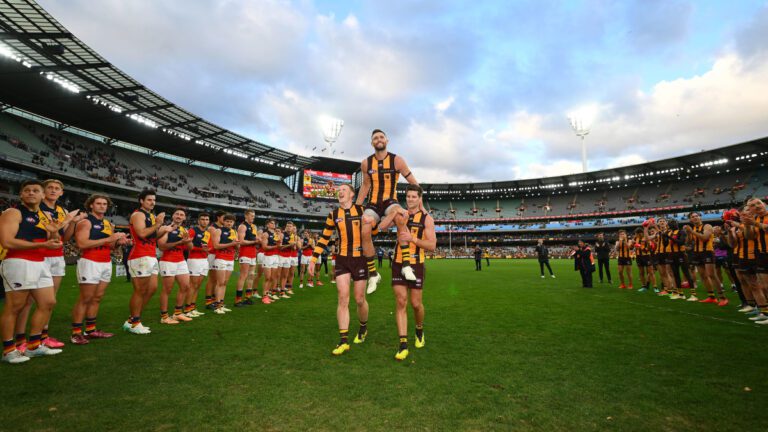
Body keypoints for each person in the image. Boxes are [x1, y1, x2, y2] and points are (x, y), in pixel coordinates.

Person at [1, 180, 73, 363]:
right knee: (14, 306)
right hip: (18, 261)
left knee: (48, 302)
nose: (31, 193)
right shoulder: (13, 212)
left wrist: (55, 231)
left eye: (35, 190)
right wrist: (43, 243)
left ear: (42, 196)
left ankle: (34, 346)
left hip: (40, 262)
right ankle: (9, 350)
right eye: (27, 190)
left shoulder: (44, 216)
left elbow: (54, 242)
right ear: (21, 195)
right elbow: (7, 241)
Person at [17, 179, 83, 350]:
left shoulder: (62, 210)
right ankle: (20, 338)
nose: (53, 191)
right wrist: (66, 220)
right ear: (43, 191)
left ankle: (42, 335)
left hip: (57, 257)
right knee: (28, 300)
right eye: (50, 188)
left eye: (57, 189)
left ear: (61, 193)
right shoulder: (37, 207)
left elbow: (65, 238)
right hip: (38, 255)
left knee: (49, 300)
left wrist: (73, 222)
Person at [356, 129, 421, 294]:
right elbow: (365, 185)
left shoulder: (397, 160)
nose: (378, 139)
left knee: (400, 218)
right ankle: (373, 274)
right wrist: (356, 207)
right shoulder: (366, 163)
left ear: (387, 140)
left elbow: (413, 182)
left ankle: (406, 265)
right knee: (364, 230)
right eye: (375, 138)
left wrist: (418, 203)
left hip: (390, 201)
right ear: (372, 143)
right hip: (373, 204)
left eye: (381, 137)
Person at [309, 184, 369, 356]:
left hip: (360, 259)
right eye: (339, 190)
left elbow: (374, 231)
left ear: (352, 194)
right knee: (343, 297)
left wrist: (373, 225)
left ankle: (363, 327)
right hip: (342, 259)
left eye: (344, 189)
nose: (340, 192)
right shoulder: (333, 215)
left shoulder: (363, 211)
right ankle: (343, 340)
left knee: (359, 299)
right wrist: (313, 259)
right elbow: (324, 238)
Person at [71, 194, 127, 345]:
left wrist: (119, 242)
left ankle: (90, 330)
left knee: (97, 297)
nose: (102, 206)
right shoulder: (85, 222)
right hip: (90, 262)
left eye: (104, 204)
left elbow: (110, 246)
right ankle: (76, 333)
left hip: (105, 262)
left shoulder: (108, 223)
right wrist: (109, 239)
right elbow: (82, 244)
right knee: (85, 298)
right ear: (91, 205)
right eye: (99, 203)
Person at [391, 185, 436, 361]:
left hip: (417, 263)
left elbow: (432, 246)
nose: (410, 199)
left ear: (419, 199)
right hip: (398, 262)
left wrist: (413, 239)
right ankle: (403, 344)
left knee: (416, 304)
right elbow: (383, 226)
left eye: (413, 197)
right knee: (401, 301)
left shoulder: (427, 219)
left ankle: (419, 329)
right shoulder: (400, 214)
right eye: (408, 196)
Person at [124, 189, 172, 335]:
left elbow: (152, 237)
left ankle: (132, 320)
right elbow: (142, 233)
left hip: (150, 254)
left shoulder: (150, 215)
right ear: (141, 201)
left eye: (154, 200)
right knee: (140, 290)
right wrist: (158, 224)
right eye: (149, 200)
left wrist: (165, 230)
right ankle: (135, 322)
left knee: (151, 289)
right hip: (139, 255)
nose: (152, 202)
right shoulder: (138, 214)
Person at [157, 209, 194, 324]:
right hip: (168, 260)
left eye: (181, 215)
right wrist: (179, 243)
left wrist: (187, 241)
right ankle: (164, 317)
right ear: (172, 216)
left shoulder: (184, 230)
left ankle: (178, 313)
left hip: (181, 260)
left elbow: (190, 247)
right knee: (167, 289)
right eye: (177, 214)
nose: (179, 216)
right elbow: (162, 246)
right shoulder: (165, 228)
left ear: (184, 218)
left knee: (185, 286)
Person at [684, 212, 723, 304]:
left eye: (696, 216)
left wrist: (692, 231)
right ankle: (711, 296)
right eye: (692, 217)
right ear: (690, 220)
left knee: (712, 275)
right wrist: (689, 233)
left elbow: (705, 238)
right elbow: (688, 242)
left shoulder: (707, 226)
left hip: (707, 252)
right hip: (697, 253)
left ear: (700, 217)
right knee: (703, 276)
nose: (695, 218)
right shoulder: (692, 228)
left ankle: (722, 297)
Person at [211, 214, 239, 314]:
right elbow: (216, 246)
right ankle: (217, 305)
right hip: (221, 258)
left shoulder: (234, 232)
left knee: (225, 283)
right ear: (224, 221)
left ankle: (221, 304)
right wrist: (231, 244)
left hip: (230, 259)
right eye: (227, 221)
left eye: (231, 222)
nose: (229, 223)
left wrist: (237, 245)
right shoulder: (218, 230)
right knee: (220, 282)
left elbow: (237, 246)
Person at [186, 212, 211, 315]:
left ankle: (192, 307)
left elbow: (209, 248)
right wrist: (201, 249)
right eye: (203, 219)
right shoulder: (192, 231)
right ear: (198, 221)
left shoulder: (208, 233)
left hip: (204, 260)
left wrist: (207, 250)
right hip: (194, 260)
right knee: (193, 285)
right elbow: (189, 246)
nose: (204, 221)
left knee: (198, 286)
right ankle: (187, 309)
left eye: (206, 219)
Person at [235, 210, 260, 306]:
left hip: (253, 253)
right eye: (251, 216)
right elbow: (241, 241)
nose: (253, 217)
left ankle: (248, 297)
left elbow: (256, 239)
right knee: (243, 276)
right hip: (245, 253)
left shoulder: (254, 227)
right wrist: (254, 242)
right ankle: (238, 300)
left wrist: (258, 240)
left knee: (251, 276)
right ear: (246, 216)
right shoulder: (242, 226)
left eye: (254, 216)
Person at [204, 211, 225, 309]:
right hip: (212, 254)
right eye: (224, 218)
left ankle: (213, 299)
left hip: (217, 254)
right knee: (212, 278)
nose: (225, 220)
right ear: (218, 217)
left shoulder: (221, 229)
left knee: (217, 279)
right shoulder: (213, 228)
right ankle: (208, 301)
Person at [260, 219, 281, 301]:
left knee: (272, 277)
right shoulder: (265, 234)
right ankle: (264, 296)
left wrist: (279, 245)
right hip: (268, 257)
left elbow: (279, 245)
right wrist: (276, 246)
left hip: (275, 257)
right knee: (267, 278)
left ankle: (267, 295)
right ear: (267, 225)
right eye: (271, 223)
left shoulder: (276, 234)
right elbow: (264, 247)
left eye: (274, 223)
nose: (273, 224)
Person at [633, 228, 652, 292]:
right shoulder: (636, 239)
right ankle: (643, 286)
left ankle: (649, 285)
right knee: (641, 272)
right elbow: (632, 247)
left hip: (646, 256)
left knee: (650, 272)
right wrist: (633, 245)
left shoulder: (646, 238)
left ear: (640, 233)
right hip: (638, 256)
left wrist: (640, 247)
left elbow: (649, 249)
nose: (636, 235)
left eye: (636, 234)